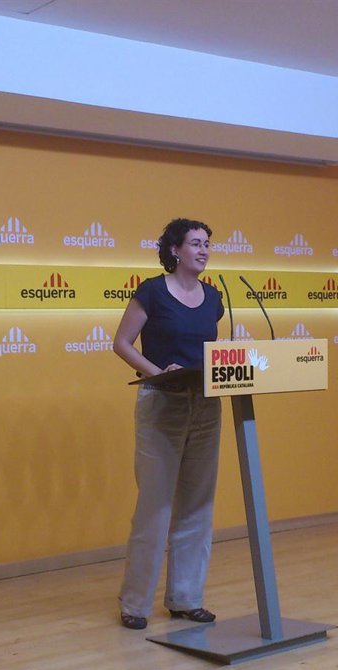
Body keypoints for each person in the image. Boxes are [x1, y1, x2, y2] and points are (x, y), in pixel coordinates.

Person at [112, 218, 225, 630]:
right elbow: (121, 343)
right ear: (174, 250)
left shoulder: (214, 298)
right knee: (155, 508)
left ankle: (186, 598)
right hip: (162, 403)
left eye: (207, 243)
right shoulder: (152, 292)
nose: (204, 250)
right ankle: (135, 604)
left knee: (197, 506)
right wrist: (157, 372)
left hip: (205, 405)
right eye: (195, 243)